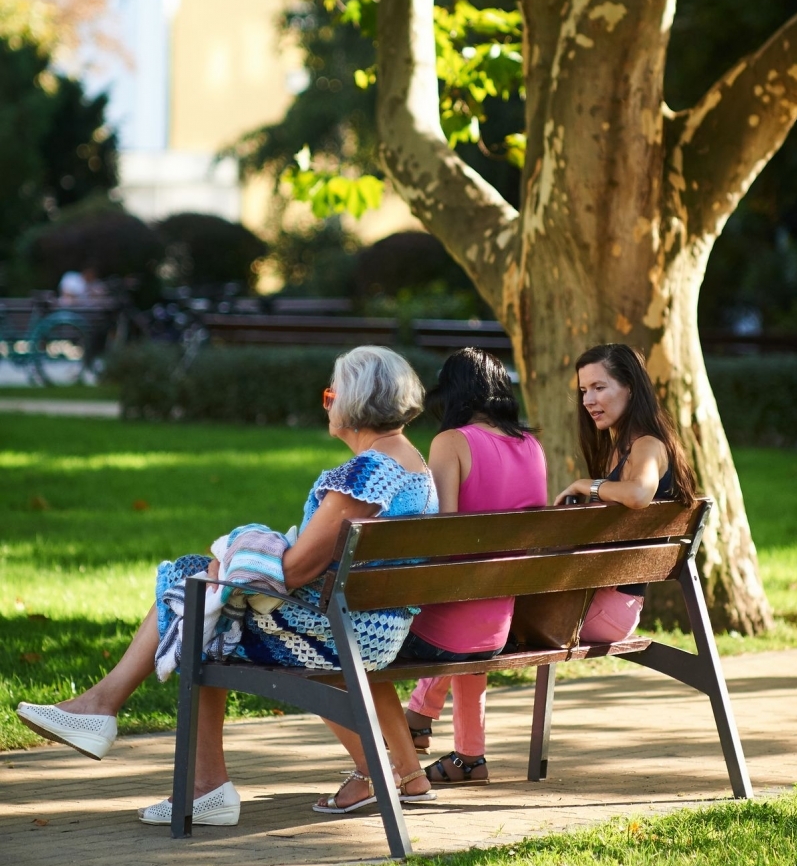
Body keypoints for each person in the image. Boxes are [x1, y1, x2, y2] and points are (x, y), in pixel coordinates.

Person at [16, 346, 437, 822]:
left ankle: (171, 762)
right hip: (373, 622)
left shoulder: (368, 473)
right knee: (202, 586)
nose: (327, 403)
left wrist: (243, 551)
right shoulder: (411, 464)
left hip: (343, 630)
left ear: (353, 402)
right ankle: (116, 720)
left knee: (198, 602)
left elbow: (295, 572)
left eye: (330, 394)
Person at [401, 348, 548, 785]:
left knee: (376, 629)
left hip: (446, 631)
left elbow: (443, 536)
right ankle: (468, 757)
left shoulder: (452, 443)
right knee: (471, 605)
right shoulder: (532, 446)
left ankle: (409, 729)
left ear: (454, 393)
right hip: (496, 627)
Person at [555, 342, 697, 643]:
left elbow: (638, 495)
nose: (588, 400)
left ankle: (428, 693)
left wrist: (587, 485)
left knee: (487, 622)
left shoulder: (648, 446)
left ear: (630, 388)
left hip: (608, 610)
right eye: (584, 391)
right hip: (595, 598)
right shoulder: (617, 449)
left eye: (599, 387)